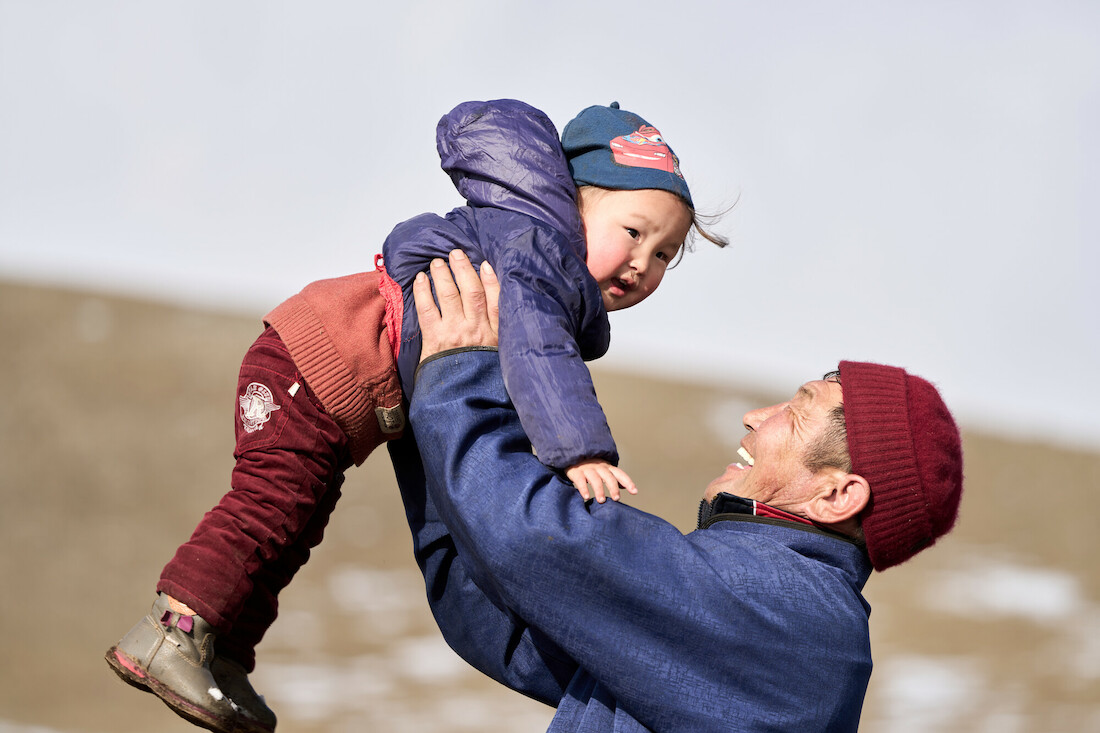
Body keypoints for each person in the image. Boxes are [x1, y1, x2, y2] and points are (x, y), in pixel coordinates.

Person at [104, 99, 726, 733]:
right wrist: (580, 450)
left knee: (298, 521)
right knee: (269, 506)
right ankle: (171, 629)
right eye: (633, 232)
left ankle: (223, 651)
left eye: (665, 255)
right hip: (311, 360)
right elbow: (539, 353)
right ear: (576, 205)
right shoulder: (539, 251)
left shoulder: (540, 258)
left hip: (324, 381)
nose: (642, 264)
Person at [395, 252, 964, 731]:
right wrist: (417, 399)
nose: (755, 417)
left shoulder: (788, 617)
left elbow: (533, 541)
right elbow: (507, 630)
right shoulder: (786, 620)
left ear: (838, 497)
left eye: (795, 414)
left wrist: (459, 370)